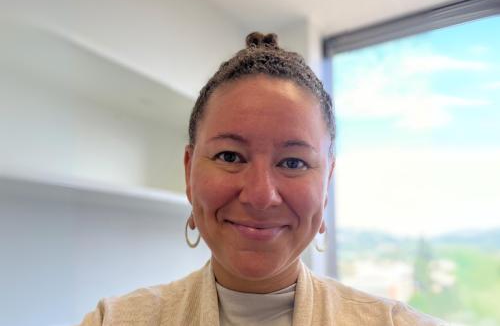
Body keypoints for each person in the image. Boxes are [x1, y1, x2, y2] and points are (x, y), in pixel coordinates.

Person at [79, 32, 445, 326]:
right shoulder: (113, 320)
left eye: (293, 162)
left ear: (327, 183)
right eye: (229, 156)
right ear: (189, 173)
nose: (260, 195)